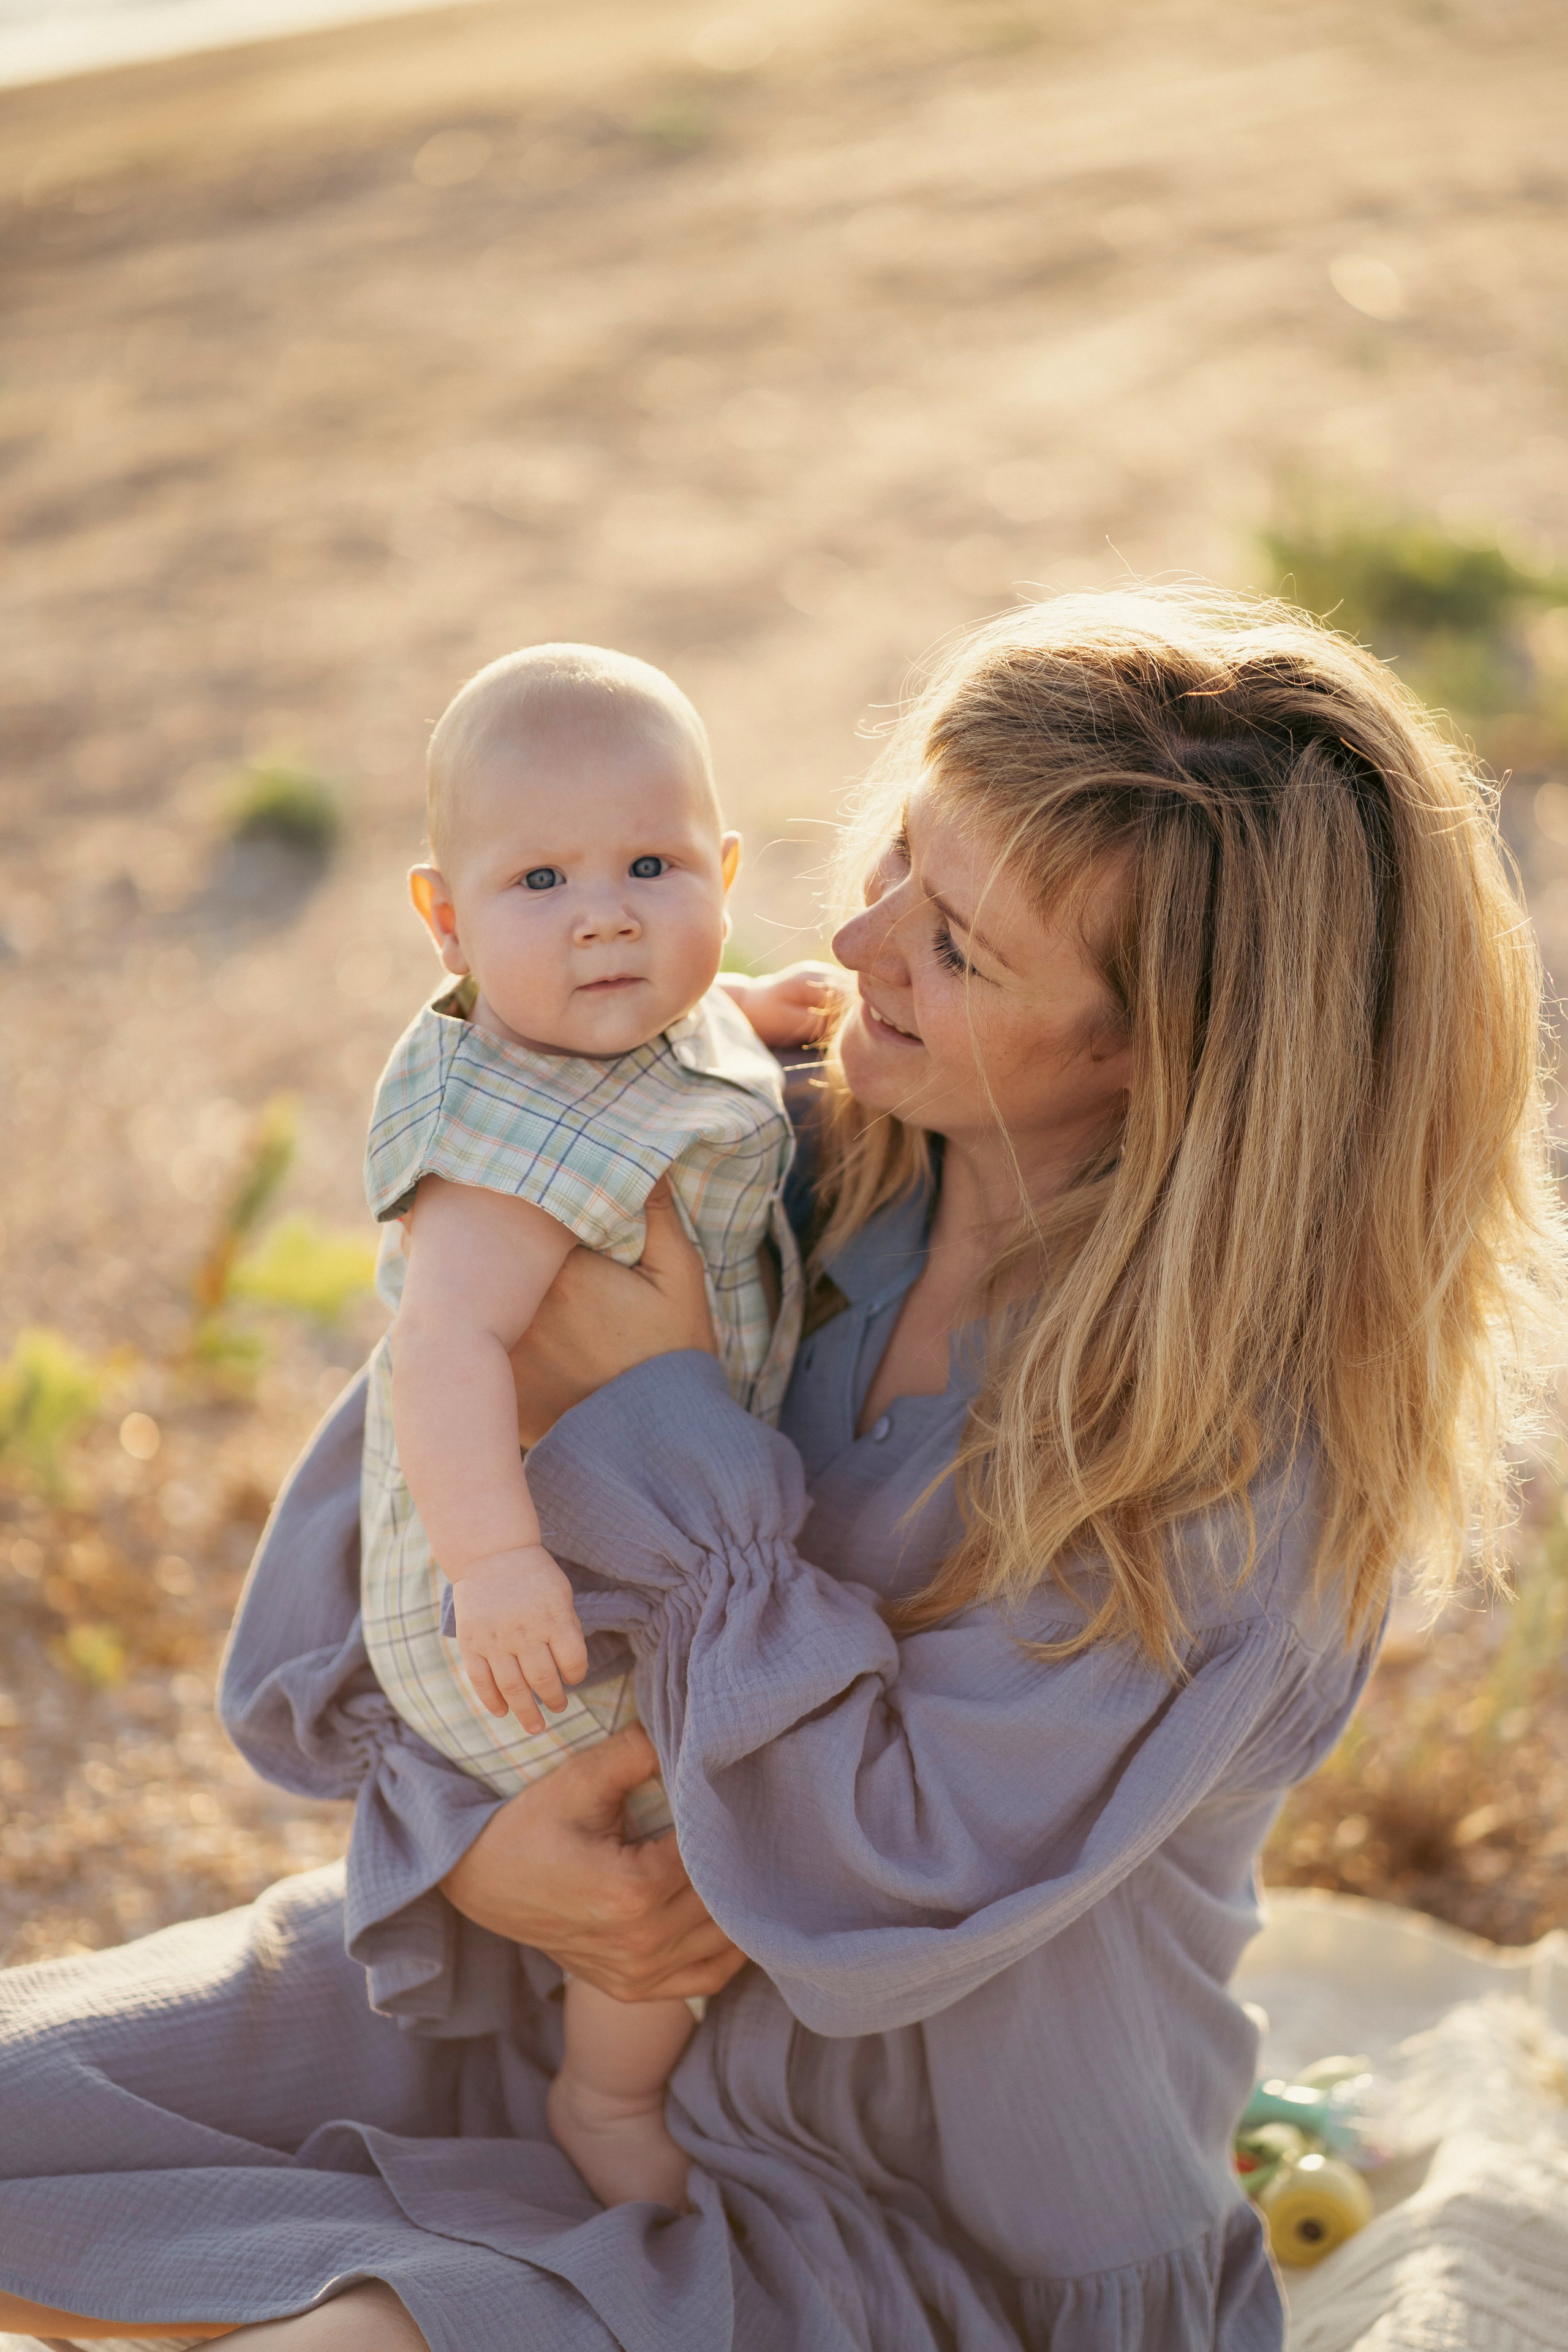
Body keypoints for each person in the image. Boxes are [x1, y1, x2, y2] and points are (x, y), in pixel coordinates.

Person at [1, 587, 1561, 2352]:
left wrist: (657, 1414)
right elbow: (352, 1602)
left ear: (1164, 1058)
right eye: (902, 853)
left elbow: (871, 1886)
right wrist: (474, 1850)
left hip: (915, 2239)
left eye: (957, 945)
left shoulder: (1241, 1481)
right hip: (520, 2013)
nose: (863, 937)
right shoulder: (765, 1135)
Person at [356, 641, 826, 2209]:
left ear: (724, 868)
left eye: (650, 865)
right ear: (444, 918)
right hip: (512, 1570)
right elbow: (440, 1348)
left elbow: (677, 1040)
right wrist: (497, 1567)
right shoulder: (501, 1136)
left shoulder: (634, 1019)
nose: (606, 912)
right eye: (540, 880)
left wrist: (752, 1009)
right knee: (661, 1808)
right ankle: (607, 2094)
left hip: (607, 1504)